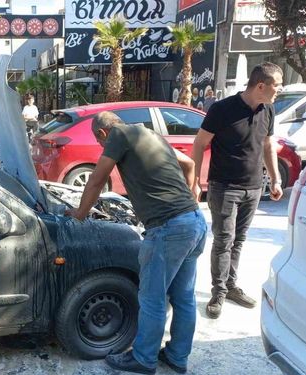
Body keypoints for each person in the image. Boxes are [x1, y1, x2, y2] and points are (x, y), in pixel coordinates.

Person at [68, 111, 207, 374]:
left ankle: (143, 359)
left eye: (100, 143)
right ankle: (177, 357)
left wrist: (80, 214)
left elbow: (97, 180)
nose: (102, 147)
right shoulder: (150, 134)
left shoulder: (117, 135)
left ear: (101, 133)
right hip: (194, 222)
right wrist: (189, 198)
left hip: (168, 228)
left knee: (152, 298)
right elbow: (188, 164)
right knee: (183, 297)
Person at [191, 62, 284, 320]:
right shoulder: (222, 109)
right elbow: (199, 144)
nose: (280, 89)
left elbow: (267, 145)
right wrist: (195, 182)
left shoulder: (269, 109)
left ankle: (231, 286)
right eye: (277, 84)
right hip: (224, 187)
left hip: (254, 187)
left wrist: (274, 179)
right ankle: (218, 292)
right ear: (261, 85)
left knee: (239, 240)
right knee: (223, 240)